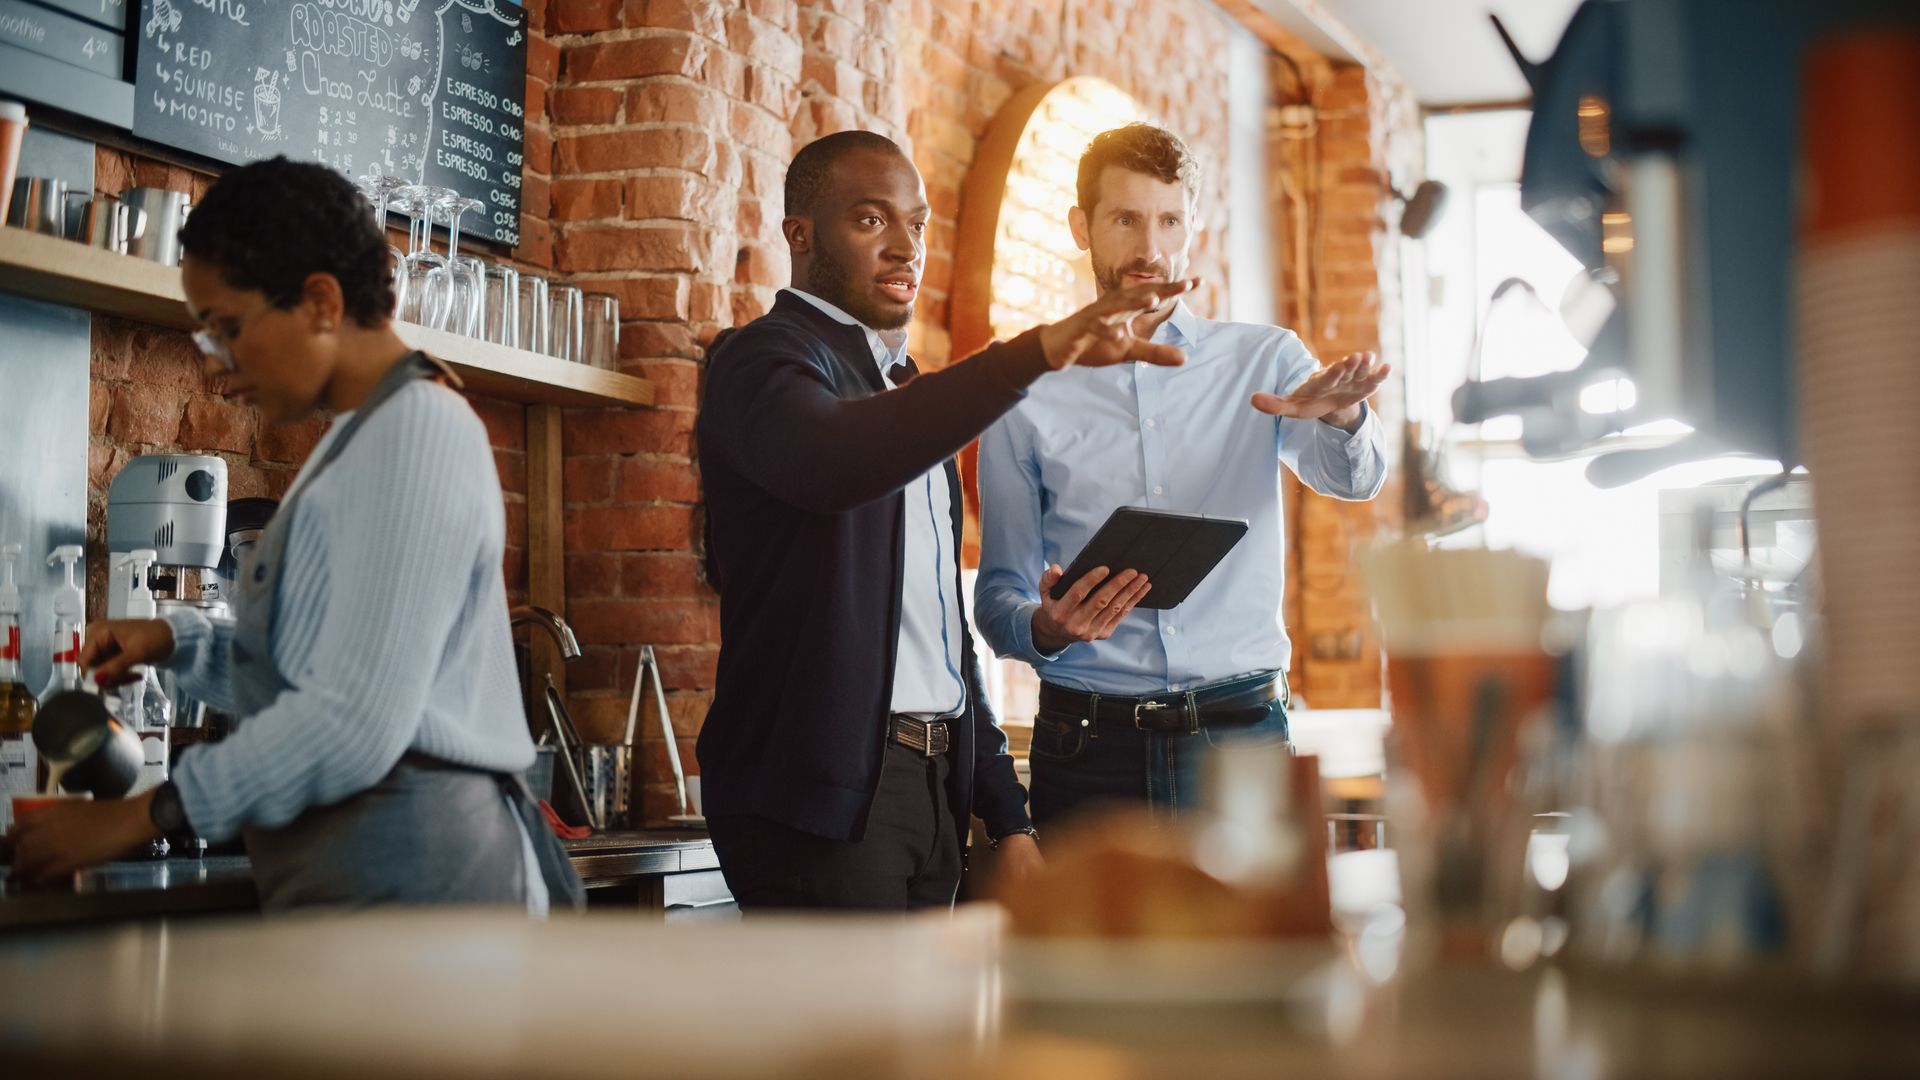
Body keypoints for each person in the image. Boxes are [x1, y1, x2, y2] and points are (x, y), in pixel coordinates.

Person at [6, 158, 583, 911]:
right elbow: (318, 662)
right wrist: (179, 643)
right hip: (365, 883)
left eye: (229, 329)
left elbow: (351, 723)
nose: (218, 367)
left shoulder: (418, 434)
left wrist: (141, 815)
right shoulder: (357, 441)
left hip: (421, 890)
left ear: (319, 301)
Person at [696, 130, 1195, 910]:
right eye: (870, 221)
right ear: (799, 234)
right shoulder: (760, 361)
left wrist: (1007, 814)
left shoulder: (903, 391)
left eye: (917, 225)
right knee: (861, 1036)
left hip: (930, 795)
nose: (905, 248)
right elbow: (834, 461)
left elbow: (939, 635)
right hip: (819, 810)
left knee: (929, 1035)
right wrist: (1031, 355)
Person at [975, 123, 1390, 827]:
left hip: (1240, 741)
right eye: (1126, 220)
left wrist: (1343, 419)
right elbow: (998, 599)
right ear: (1082, 227)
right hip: (1087, 750)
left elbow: (1354, 481)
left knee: (1253, 943)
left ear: (1192, 225)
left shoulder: (1265, 360)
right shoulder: (1027, 384)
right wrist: (1045, 627)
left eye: (1169, 220)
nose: (1150, 248)